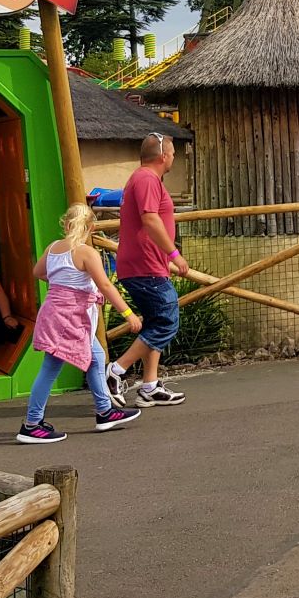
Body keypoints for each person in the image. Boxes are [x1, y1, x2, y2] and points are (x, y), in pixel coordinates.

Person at [17, 204, 145, 444]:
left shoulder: (53, 248)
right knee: (51, 367)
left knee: (96, 356)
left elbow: (38, 272)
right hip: (70, 318)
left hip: (54, 312)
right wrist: (128, 313)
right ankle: (31, 424)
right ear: (91, 227)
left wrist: (62, 282)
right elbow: (105, 285)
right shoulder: (86, 253)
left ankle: (104, 411)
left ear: (65, 224)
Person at [106, 132, 195, 407]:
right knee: (168, 321)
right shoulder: (146, 179)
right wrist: (174, 254)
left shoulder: (145, 178)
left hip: (147, 263)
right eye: (172, 154)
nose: (173, 159)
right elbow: (150, 219)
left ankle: (150, 384)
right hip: (145, 265)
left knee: (157, 321)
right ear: (163, 156)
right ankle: (116, 371)